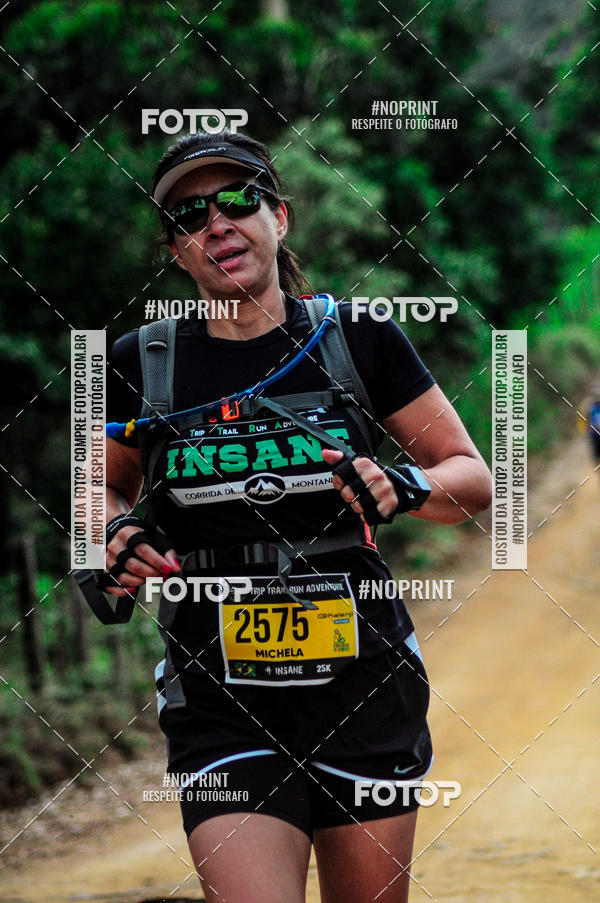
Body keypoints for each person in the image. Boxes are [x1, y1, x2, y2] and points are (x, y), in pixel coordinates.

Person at [103, 129, 492, 903]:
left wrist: (404, 485)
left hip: (364, 684)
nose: (216, 223)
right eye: (189, 215)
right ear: (176, 252)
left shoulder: (359, 338)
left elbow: (472, 477)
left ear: (280, 217)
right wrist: (115, 529)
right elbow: (98, 489)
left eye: (239, 200)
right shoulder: (142, 362)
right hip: (220, 696)